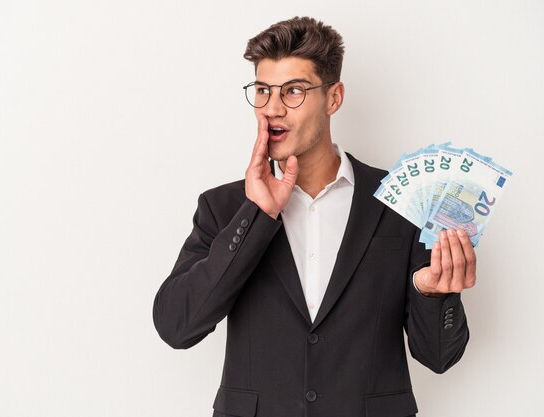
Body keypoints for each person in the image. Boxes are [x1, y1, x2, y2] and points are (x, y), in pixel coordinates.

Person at [153, 16, 476, 417]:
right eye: (263, 90)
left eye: (293, 91)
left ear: (334, 98)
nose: (272, 108)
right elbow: (176, 327)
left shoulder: (400, 204)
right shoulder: (222, 209)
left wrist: (433, 293)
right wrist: (257, 215)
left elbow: (439, 357)